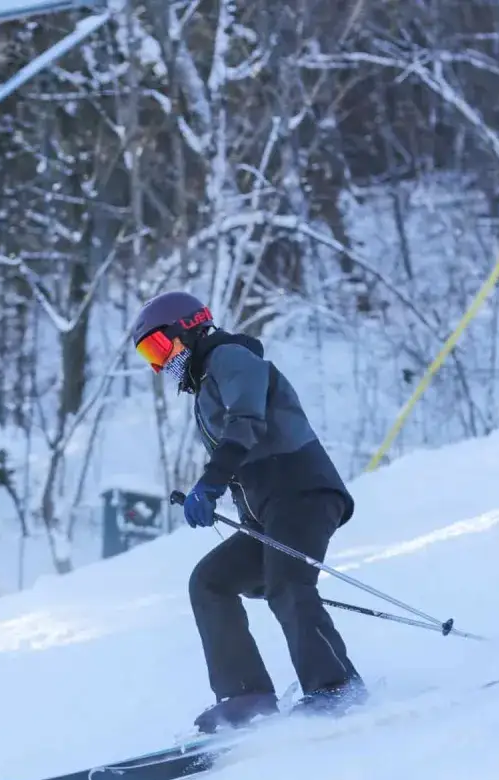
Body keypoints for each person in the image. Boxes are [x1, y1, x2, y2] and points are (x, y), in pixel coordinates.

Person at [130, 290, 367, 735]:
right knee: (211, 581)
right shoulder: (204, 384)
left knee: (288, 583)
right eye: (149, 355)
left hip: (303, 492)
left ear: (189, 327)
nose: (159, 363)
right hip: (270, 510)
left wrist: (211, 482)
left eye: (160, 347)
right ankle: (247, 696)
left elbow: (246, 424)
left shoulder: (230, 358)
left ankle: (336, 689)